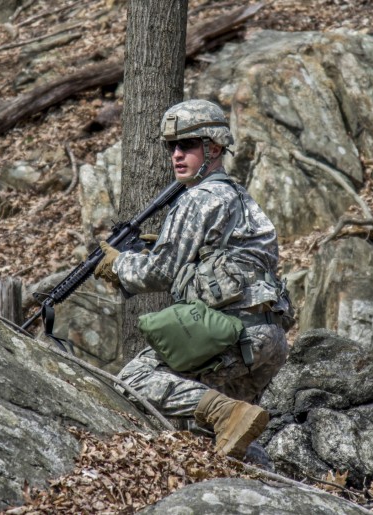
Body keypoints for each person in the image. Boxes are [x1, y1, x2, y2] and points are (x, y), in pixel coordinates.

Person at [94, 99, 292, 460]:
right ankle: (268, 486)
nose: (176, 155)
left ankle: (224, 414)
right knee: (225, 437)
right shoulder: (239, 197)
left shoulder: (198, 198)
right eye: (172, 146)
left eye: (187, 145)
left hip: (231, 332)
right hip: (270, 338)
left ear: (213, 147)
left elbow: (160, 272)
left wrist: (118, 264)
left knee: (133, 381)